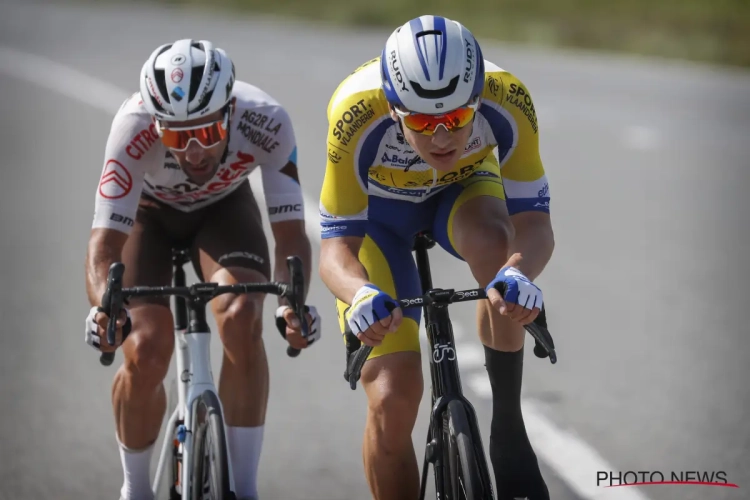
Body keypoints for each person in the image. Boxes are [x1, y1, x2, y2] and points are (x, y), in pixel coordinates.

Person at [318, 15, 554, 500]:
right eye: (423, 123)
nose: (443, 137)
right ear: (392, 107)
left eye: (457, 119)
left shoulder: (508, 98)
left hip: (462, 193)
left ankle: (508, 428)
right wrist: (359, 293)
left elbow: (534, 224)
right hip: (378, 221)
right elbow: (335, 250)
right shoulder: (354, 114)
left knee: (496, 246)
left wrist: (519, 273)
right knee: (390, 397)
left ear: (477, 98)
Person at [83, 39, 320, 500]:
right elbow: (104, 243)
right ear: (155, 124)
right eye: (175, 136)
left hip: (223, 210)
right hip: (147, 217)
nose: (192, 152)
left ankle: (246, 489)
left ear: (230, 111)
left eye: (207, 134)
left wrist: (291, 304)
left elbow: (291, 235)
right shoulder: (131, 126)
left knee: (242, 318)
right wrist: (104, 309)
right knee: (146, 347)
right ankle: (134, 489)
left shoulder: (266, 119)